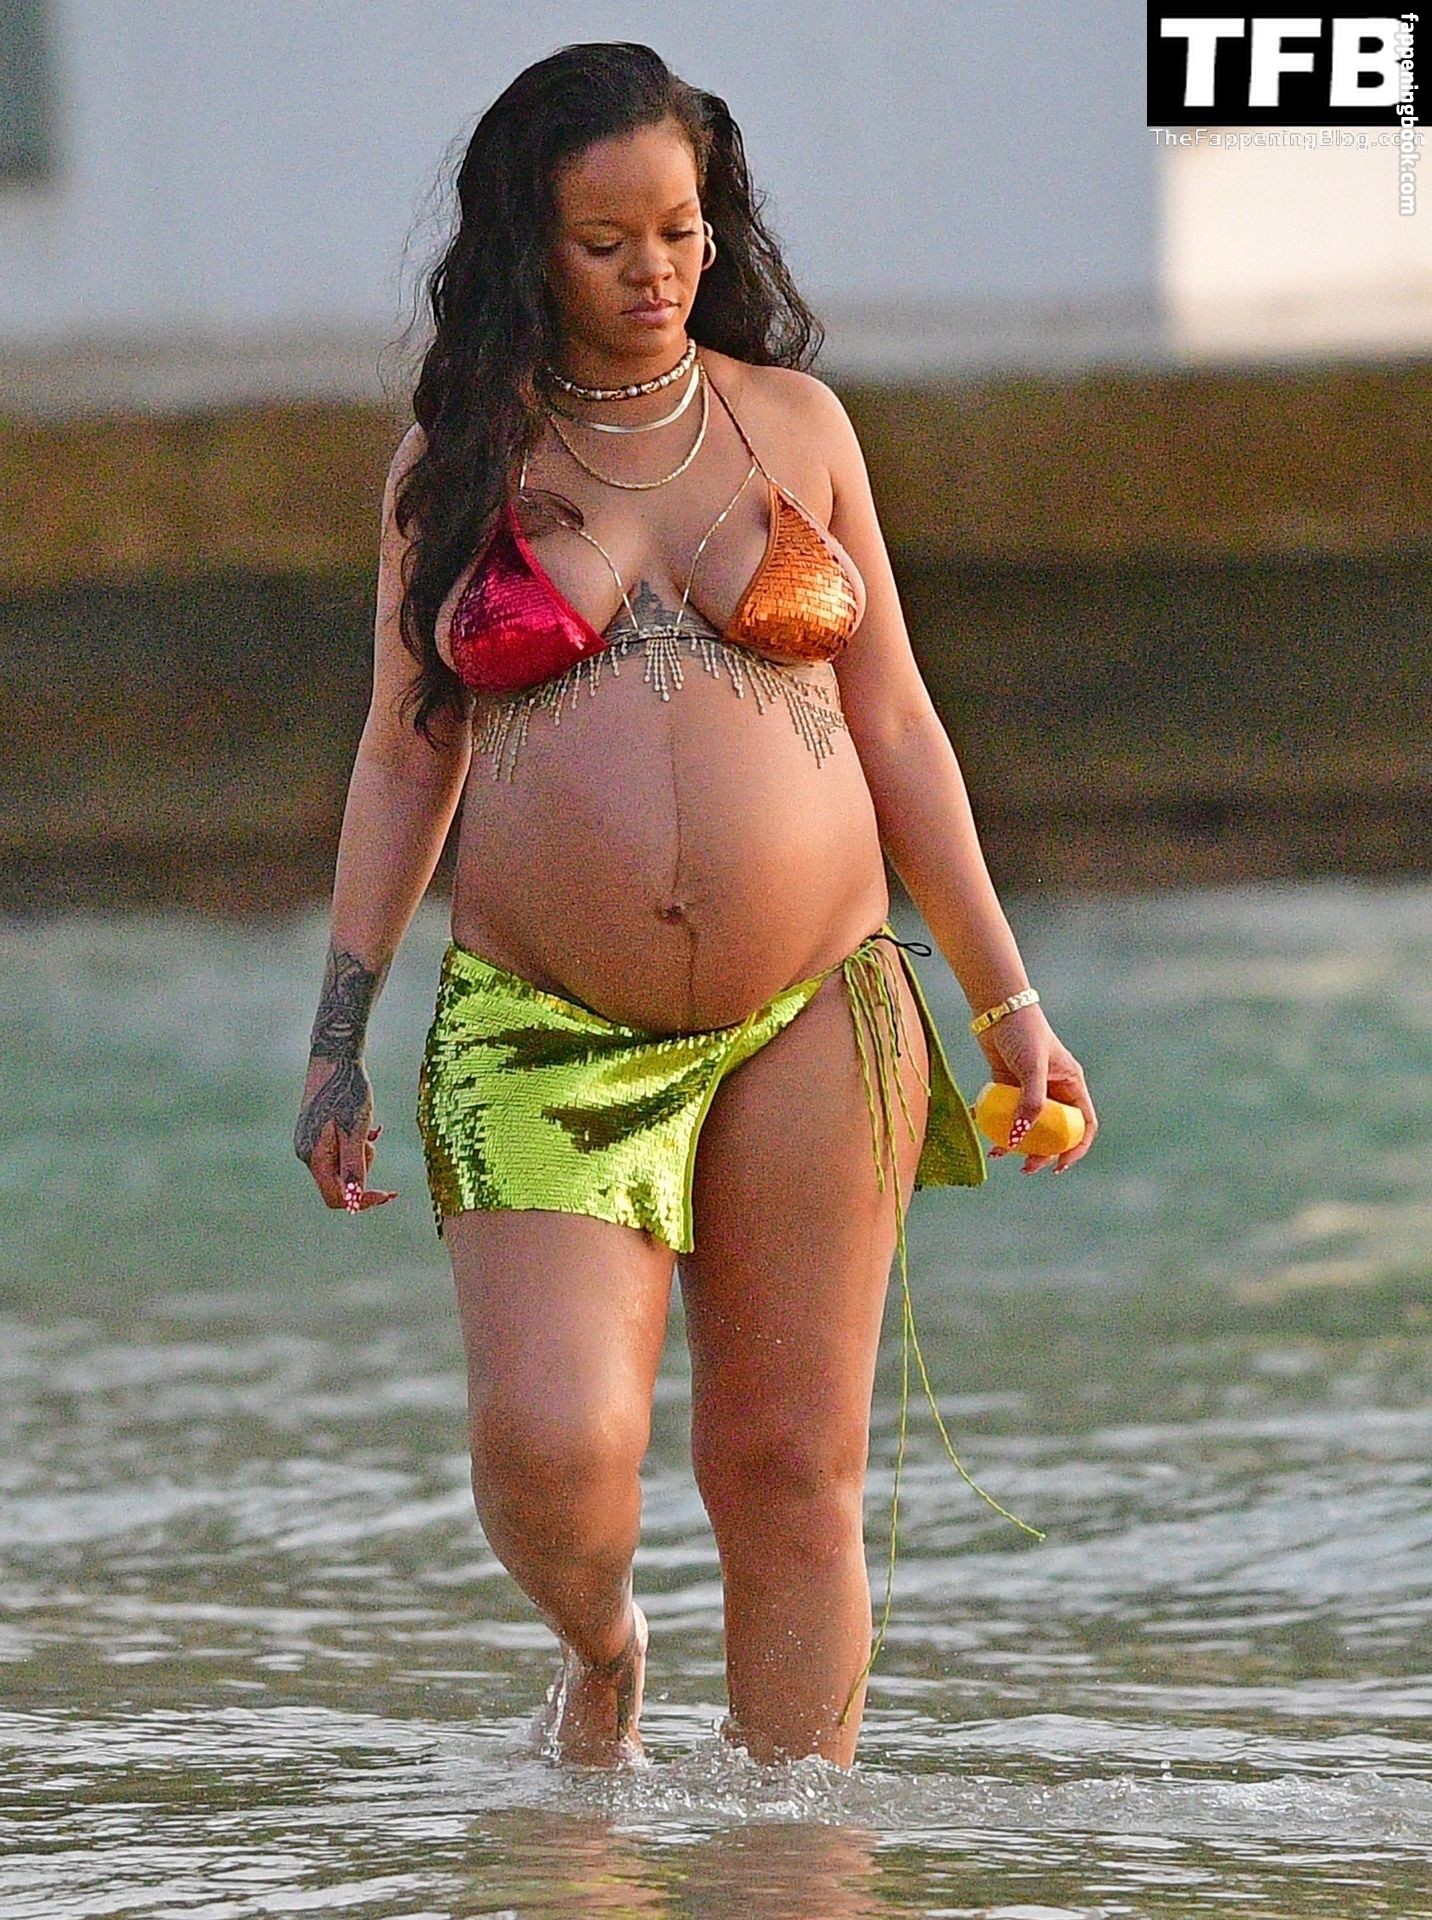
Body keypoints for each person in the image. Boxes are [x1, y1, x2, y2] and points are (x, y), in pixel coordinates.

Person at [294, 41, 1097, 1772]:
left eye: (681, 230)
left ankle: (798, 1857)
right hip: (540, 1022)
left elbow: (898, 726)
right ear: (531, 248)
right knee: (556, 1451)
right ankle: (601, 1648)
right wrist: (338, 1039)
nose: (655, 270)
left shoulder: (795, 425)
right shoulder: (461, 459)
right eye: (607, 243)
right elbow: (403, 753)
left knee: (791, 1468)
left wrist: (1008, 1003)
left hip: (818, 1002)